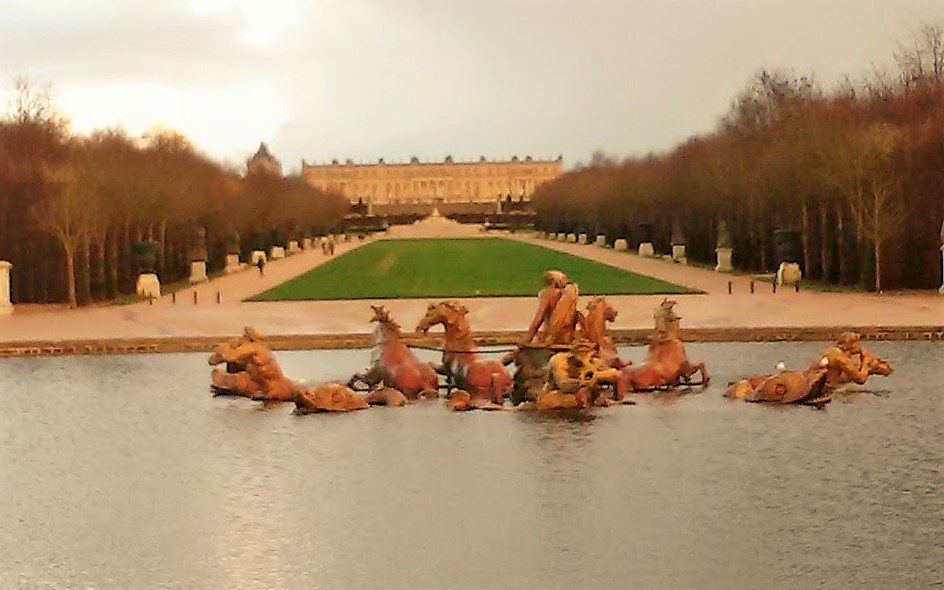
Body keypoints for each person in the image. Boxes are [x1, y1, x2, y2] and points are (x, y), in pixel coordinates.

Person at [525, 270, 582, 345]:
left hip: (551, 339)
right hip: (567, 339)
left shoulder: (549, 294)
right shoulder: (569, 296)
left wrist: (527, 339)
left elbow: (538, 319)